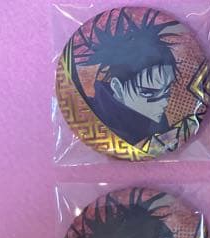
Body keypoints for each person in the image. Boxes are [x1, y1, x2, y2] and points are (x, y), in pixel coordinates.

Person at [77, 8, 179, 145]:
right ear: (118, 87)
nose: (164, 103)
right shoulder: (92, 115)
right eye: (148, 93)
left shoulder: (155, 118)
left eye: (166, 92)